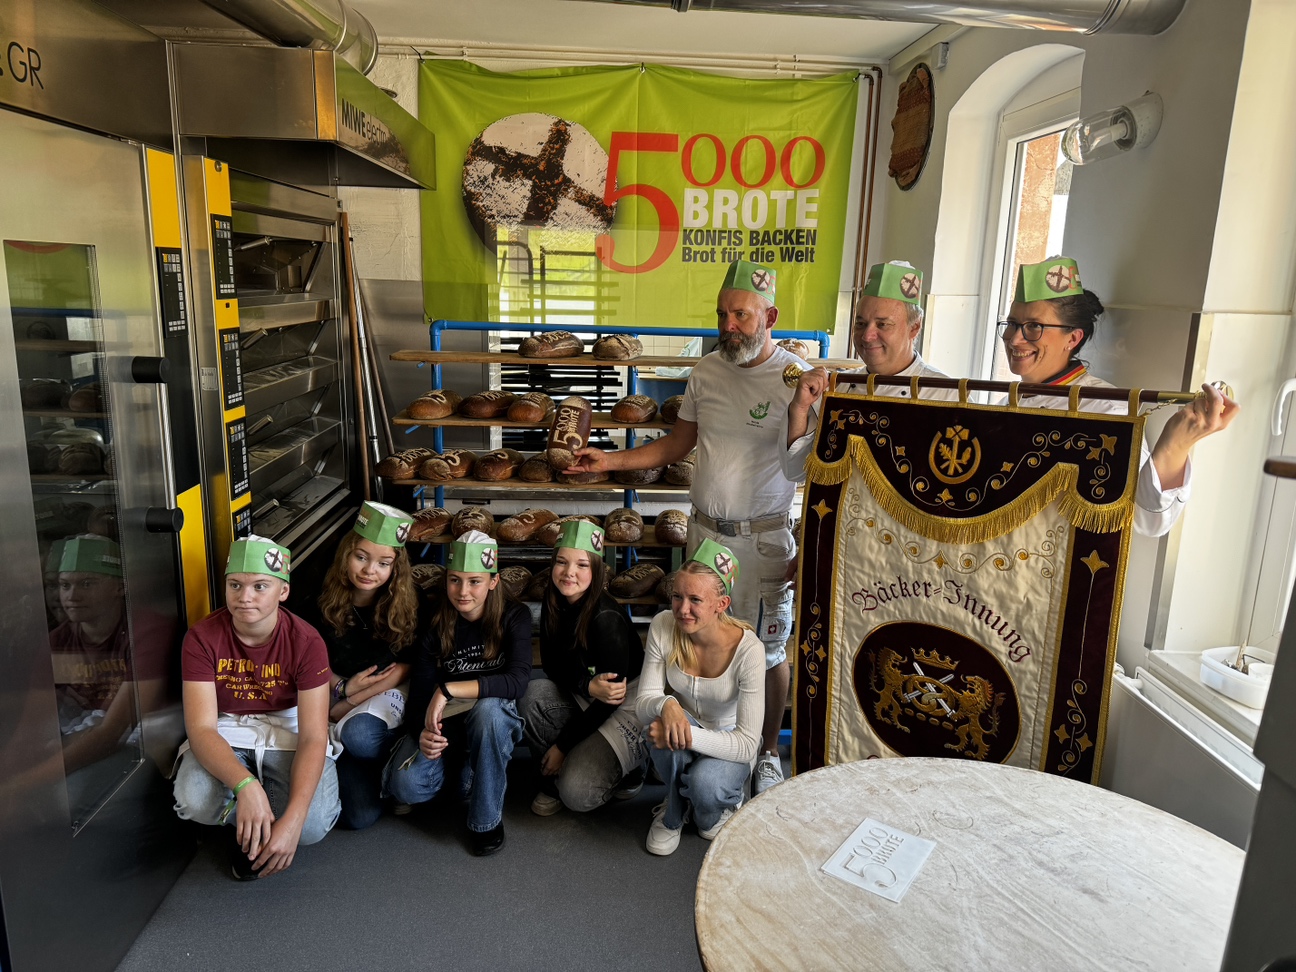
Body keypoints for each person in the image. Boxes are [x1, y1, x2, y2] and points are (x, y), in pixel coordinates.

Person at [569, 260, 797, 795]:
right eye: (722, 314)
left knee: (767, 652)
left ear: (770, 315)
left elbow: (809, 463)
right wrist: (608, 462)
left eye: (741, 315)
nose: (729, 326)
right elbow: (676, 445)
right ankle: (701, 738)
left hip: (763, 539)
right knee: (694, 640)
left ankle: (763, 752)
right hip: (705, 536)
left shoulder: (792, 379)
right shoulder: (707, 371)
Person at [1001, 256, 1239, 536]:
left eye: (1033, 327)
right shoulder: (1008, 400)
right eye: (1012, 323)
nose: (1014, 339)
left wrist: (1176, 446)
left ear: (1073, 339)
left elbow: (1149, 521)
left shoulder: (1104, 408)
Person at [173, 536, 340, 880]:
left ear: (283, 591)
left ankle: (264, 821)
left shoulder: (307, 642)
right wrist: (245, 787)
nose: (244, 596)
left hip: (287, 727)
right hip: (227, 727)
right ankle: (254, 825)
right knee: (194, 800)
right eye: (235, 584)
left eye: (260, 586)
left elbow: (313, 735)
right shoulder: (202, 638)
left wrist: (293, 821)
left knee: (311, 826)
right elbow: (202, 728)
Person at [384, 530, 531, 856]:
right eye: (455, 580)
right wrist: (421, 733)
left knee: (489, 712)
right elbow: (421, 696)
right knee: (404, 787)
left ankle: (485, 820)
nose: (463, 592)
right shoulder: (435, 621)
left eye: (475, 581)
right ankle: (468, 773)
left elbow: (518, 681)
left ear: (493, 581)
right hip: (447, 722)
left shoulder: (514, 615)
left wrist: (447, 689)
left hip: (491, 717)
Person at [299, 502, 422, 830]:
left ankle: (390, 760)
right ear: (346, 555)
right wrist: (342, 689)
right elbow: (311, 662)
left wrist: (349, 703)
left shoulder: (411, 602)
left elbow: (405, 666)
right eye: (361, 557)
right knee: (358, 817)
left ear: (395, 568)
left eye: (383, 563)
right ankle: (360, 766)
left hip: (389, 693)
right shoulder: (318, 603)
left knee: (360, 736)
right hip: (335, 695)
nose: (370, 570)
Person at [636, 539, 764, 856]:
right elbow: (643, 702)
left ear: (721, 604)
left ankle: (715, 804)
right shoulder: (663, 625)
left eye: (695, 600)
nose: (682, 609)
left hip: (730, 741)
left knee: (707, 789)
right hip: (686, 728)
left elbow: (748, 743)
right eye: (677, 596)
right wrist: (667, 704)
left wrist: (685, 733)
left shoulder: (750, 651)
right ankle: (674, 814)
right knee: (656, 720)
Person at [781, 260, 956, 482]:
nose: (866, 336)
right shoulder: (839, 388)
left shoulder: (946, 394)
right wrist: (800, 408)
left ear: (915, 327)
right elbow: (797, 472)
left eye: (882, 325)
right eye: (861, 323)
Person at [520, 519, 648, 816]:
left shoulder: (606, 619)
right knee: (532, 694)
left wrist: (563, 746)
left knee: (577, 795)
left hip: (622, 708)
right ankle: (553, 776)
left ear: (596, 570)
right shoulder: (554, 601)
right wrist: (586, 685)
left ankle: (633, 770)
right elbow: (551, 665)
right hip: (587, 694)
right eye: (562, 562)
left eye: (581, 565)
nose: (569, 573)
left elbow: (610, 701)